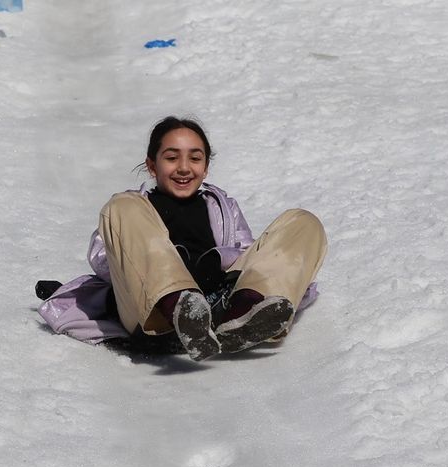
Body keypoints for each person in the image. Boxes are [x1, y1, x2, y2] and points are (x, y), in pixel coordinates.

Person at [37, 116, 327, 361]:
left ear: (206, 166)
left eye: (195, 158)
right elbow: (106, 259)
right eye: (172, 158)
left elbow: (249, 255)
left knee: (303, 221)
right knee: (119, 204)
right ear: (152, 165)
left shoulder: (222, 206)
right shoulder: (132, 208)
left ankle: (240, 317)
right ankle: (181, 309)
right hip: (151, 314)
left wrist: (218, 260)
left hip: (218, 303)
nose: (184, 167)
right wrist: (171, 264)